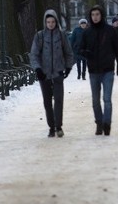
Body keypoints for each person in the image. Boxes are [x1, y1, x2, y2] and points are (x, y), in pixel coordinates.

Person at [80, 5, 118, 136]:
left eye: (97, 14)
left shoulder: (110, 31)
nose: (95, 17)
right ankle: (99, 123)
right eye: (93, 15)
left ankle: (107, 123)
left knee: (107, 99)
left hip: (107, 70)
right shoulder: (87, 33)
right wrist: (85, 53)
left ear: (102, 16)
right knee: (95, 101)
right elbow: (80, 48)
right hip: (93, 70)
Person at [29, 9, 75, 138]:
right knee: (47, 101)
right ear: (45, 22)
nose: (50, 24)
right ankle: (51, 127)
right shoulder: (39, 36)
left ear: (56, 21)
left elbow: (68, 52)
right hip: (44, 74)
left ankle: (59, 126)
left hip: (58, 73)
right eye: (48, 22)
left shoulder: (61, 35)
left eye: (53, 21)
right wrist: (38, 69)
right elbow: (34, 55)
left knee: (59, 100)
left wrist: (68, 67)